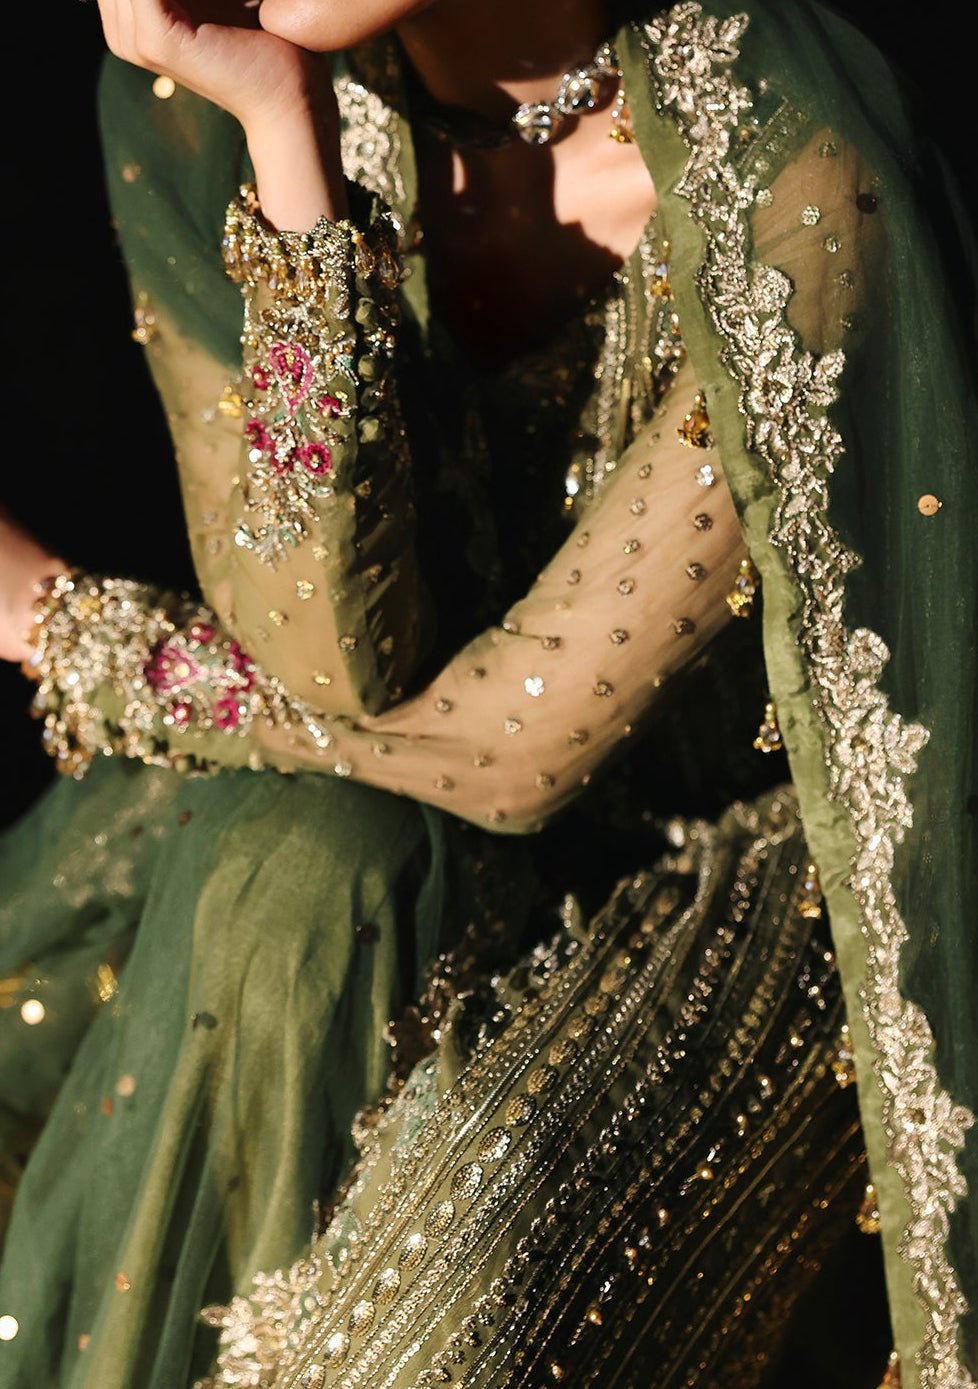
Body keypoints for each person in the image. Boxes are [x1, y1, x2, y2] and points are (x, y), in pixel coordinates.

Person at [1, 2, 975, 1389]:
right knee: (287, 877)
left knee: (425, 1325)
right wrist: (286, 146)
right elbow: (328, 662)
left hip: (718, 858)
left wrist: (72, 630)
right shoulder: (202, 106)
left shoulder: (782, 172)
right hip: (382, 803)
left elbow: (516, 753)